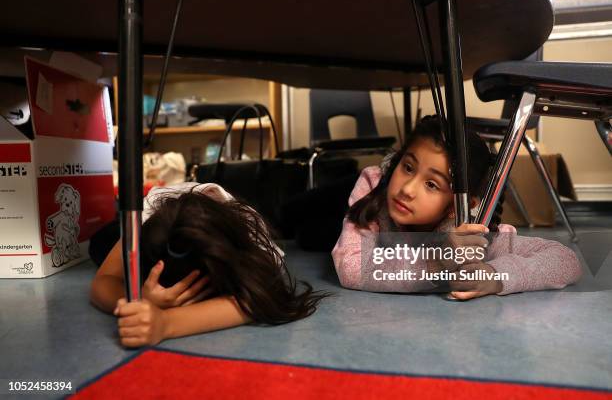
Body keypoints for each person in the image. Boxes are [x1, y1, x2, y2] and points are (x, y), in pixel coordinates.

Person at [332, 116, 582, 299]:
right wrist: (435, 263)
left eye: (432, 184)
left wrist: (495, 277)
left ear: (456, 206)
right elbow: (351, 268)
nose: (407, 189)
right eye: (408, 167)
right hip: (352, 204)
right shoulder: (373, 185)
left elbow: (565, 260)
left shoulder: (468, 232)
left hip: (361, 235)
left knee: (311, 234)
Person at [91, 182, 326, 348]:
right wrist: (137, 299)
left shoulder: (252, 238)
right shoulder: (146, 218)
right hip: (154, 217)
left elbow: (260, 297)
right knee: (98, 245)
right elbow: (102, 282)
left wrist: (165, 323)